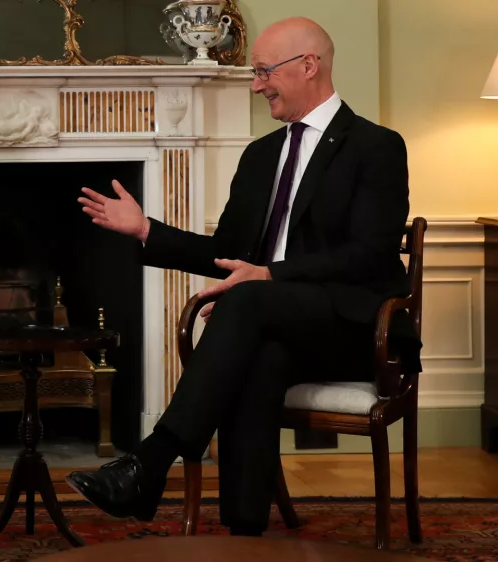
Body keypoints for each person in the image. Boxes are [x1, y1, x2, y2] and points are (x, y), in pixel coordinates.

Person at [67, 17, 421, 536]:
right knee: (258, 349)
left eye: (263, 72)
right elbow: (227, 255)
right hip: (280, 326)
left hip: (358, 326)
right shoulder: (260, 157)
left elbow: (368, 254)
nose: (256, 85)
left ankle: (151, 461)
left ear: (308, 65)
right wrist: (147, 229)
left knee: (247, 300)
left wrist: (270, 276)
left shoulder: (377, 147)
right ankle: (244, 528)